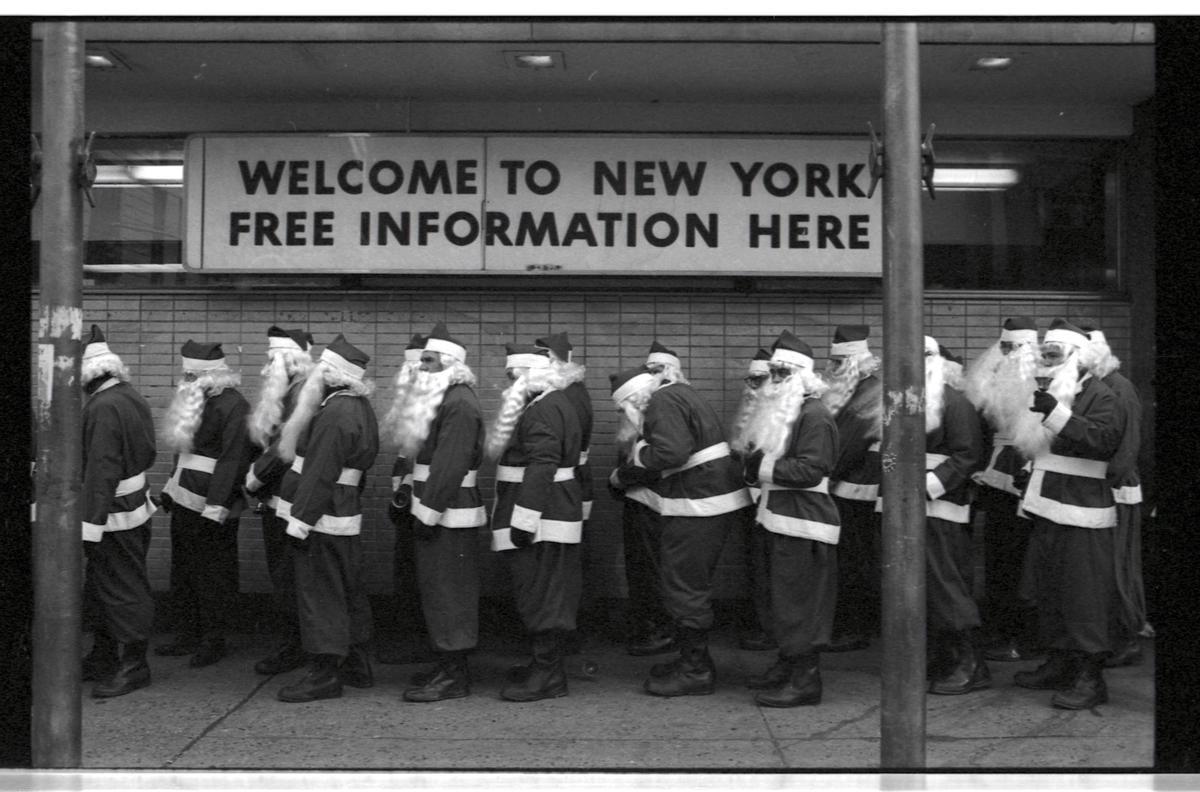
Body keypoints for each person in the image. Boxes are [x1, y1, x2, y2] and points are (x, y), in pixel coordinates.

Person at [610, 347, 753, 697]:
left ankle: (695, 670)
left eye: (623, 408)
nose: (625, 416)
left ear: (634, 399)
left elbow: (671, 452)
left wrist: (637, 455)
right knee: (687, 582)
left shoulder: (660, 401)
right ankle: (691, 661)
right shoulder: (679, 393)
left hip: (698, 503)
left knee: (684, 585)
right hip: (708, 499)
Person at [1012, 318, 1122, 710]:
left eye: (1054, 355)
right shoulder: (1053, 391)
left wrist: (1057, 414)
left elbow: (1104, 440)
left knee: (1083, 596)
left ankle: (1091, 677)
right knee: (1051, 590)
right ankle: (1060, 662)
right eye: (1045, 354)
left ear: (1077, 356)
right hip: (1047, 504)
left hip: (1082, 508)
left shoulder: (1102, 394)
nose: (1046, 360)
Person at [273, 334, 379, 703]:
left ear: (333, 374)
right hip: (341, 511)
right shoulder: (357, 406)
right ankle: (356, 665)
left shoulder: (334, 413)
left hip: (322, 514)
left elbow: (320, 472)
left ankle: (324, 673)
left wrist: (299, 522)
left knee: (320, 593)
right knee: (346, 588)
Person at [740, 331, 840, 707]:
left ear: (802, 376)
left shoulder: (813, 415)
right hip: (780, 516)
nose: (774, 379)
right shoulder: (789, 410)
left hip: (803, 521)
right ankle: (789, 664)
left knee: (800, 603)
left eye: (782, 373)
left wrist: (759, 466)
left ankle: (805, 678)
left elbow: (811, 470)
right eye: (773, 372)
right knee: (783, 600)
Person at [393, 324, 486, 702]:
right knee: (438, 590)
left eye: (429, 360)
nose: (422, 366)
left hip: (448, 509)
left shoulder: (458, 403)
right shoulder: (447, 397)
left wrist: (428, 512)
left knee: (450, 593)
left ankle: (454, 674)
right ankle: (446, 663)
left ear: (450, 363)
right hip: (439, 506)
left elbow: (450, 464)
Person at [489, 343, 585, 702]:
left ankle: (549, 674)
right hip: (551, 509)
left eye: (512, 376)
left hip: (543, 514)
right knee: (545, 589)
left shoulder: (543, 408)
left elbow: (543, 463)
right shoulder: (551, 402)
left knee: (541, 592)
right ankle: (544, 666)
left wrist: (524, 520)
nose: (508, 382)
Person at [157, 340, 254, 668]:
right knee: (184, 569)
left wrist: (217, 505)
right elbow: (182, 450)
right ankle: (187, 632)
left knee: (214, 572)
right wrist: (171, 487)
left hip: (214, 501)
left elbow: (233, 459)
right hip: (185, 497)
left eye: (191, 374)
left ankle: (214, 638)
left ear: (209, 374)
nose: (185, 379)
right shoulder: (195, 398)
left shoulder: (234, 405)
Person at [80, 325, 158, 698]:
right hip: (131, 504)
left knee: (121, 587)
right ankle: (105, 655)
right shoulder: (128, 396)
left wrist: (89, 523)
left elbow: (101, 468)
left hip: (112, 512)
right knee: (105, 586)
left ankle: (133, 664)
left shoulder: (102, 406)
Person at [963, 316, 1043, 663]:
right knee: (997, 556)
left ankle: (1023, 634)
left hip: (1028, 478)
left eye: (1014, 347)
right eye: (1005, 346)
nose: (1008, 353)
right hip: (995, 480)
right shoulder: (991, 378)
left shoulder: (1046, 378)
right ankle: (998, 626)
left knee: (1024, 560)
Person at [914, 335, 988, 695]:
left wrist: (928, 485)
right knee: (925, 584)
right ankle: (946, 655)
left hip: (939, 505)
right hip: (907, 504)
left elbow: (967, 454)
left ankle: (970, 662)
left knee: (946, 583)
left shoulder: (955, 402)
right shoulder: (907, 401)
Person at [243, 326, 314, 676]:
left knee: (288, 577)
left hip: (288, 498)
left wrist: (255, 477)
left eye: (273, 359)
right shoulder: (293, 391)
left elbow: (284, 445)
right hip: (280, 497)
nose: (267, 366)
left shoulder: (301, 393)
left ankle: (294, 647)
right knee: (285, 575)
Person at [1080, 324, 1149, 668]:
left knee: (1119, 567)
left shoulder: (1118, 388)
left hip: (1115, 489)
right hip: (1101, 488)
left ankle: (1127, 636)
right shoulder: (1098, 386)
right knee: (1104, 568)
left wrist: (1107, 483)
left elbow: (1128, 444)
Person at [820, 324, 882, 653]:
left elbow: (846, 445)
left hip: (857, 488)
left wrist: (822, 473)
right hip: (853, 483)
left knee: (854, 559)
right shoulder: (859, 388)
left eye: (837, 363)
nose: (831, 369)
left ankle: (855, 628)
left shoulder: (866, 392)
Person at [377, 333, 430, 662]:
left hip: (423, 504)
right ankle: (410, 637)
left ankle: (419, 642)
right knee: (407, 570)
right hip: (407, 502)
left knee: (418, 574)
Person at [729, 348, 776, 651]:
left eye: (758, 379)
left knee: (769, 566)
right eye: (750, 379)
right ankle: (761, 621)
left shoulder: (781, 413)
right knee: (757, 563)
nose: (751, 386)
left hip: (771, 498)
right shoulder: (754, 411)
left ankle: (769, 627)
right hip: (752, 495)